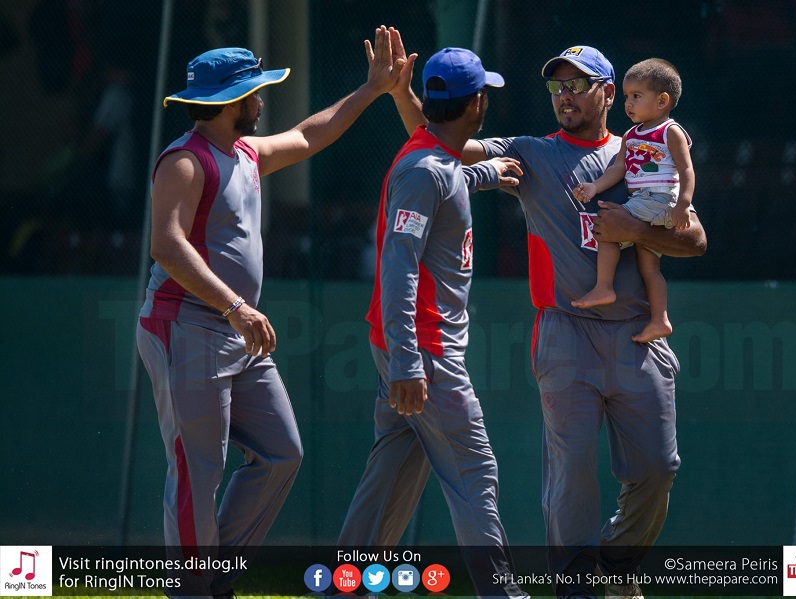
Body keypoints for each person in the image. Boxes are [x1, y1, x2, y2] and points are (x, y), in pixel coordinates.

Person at [388, 40, 707, 599]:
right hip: (564, 333)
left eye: (577, 85)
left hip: (636, 335)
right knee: (571, 475)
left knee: (658, 469)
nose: (565, 96)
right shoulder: (532, 151)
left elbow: (696, 240)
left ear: (608, 93)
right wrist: (401, 93)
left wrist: (636, 231)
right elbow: (443, 139)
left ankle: (615, 567)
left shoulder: (642, 148)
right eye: (557, 86)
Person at [135, 29, 403, 598]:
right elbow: (166, 245)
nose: (261, 100)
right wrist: (235, 306)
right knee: (197, 470)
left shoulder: (247, 153)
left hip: (234, 330)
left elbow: (309, 135)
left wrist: (373, 89)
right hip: (187, 325)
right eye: (253, 92)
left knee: (282, 454)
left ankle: (211, 578)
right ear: (229, 101)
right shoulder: (185, 160)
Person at [336, 46, 528, 599]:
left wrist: (488, 173)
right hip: (424, 353)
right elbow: (398, 266)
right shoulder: (424, 170)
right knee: (475, 473)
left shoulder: (433, 157)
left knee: (391, 476)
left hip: (410, 349)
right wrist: (407, 362)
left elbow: (450, 177)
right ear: (476, 104)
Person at [572, 58, 694, 343]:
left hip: (659, 199)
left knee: (608, 228)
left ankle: (604, 287)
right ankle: (660, 320)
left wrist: (683, 204)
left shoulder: (670, 131)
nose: (628, 103)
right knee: (649, 267)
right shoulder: (631, 135)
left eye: (636, 96)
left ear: (662, 101)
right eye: (627, 96)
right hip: (644, 201)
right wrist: (594, 186)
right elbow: (618, 168)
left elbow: (687, 169)